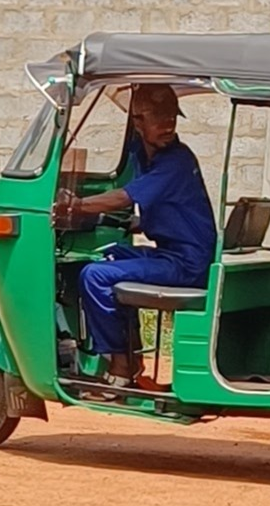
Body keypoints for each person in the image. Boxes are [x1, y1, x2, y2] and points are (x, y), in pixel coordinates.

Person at [69, 84, 216, 387]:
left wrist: (76, 205)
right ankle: (129, 352)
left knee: (95, 276)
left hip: (187, 263)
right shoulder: (141, 152)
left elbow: (123, 196)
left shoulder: (176, 160)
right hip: (171, 252)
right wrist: (136, 222)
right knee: (110, 255)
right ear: (137, 122)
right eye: (158, 118)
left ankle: (121, 366)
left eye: (171, 117)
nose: (168, 125)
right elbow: (158, 206)